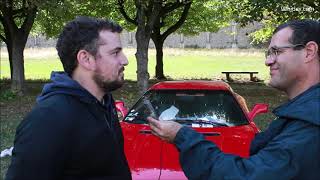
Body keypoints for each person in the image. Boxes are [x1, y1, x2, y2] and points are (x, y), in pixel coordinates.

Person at [148, 19, 320, 179]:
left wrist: (182, 136)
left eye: (276, 51)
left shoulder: (311, 123)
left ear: (309, 52)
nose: (268, 61)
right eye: (268, 53)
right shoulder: (305, 113)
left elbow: (245, 176)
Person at [6, 16, 132, 180]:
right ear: (86, 59)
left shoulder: (104, 102)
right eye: (115, 52)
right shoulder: (47, 120)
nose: (125, 60)